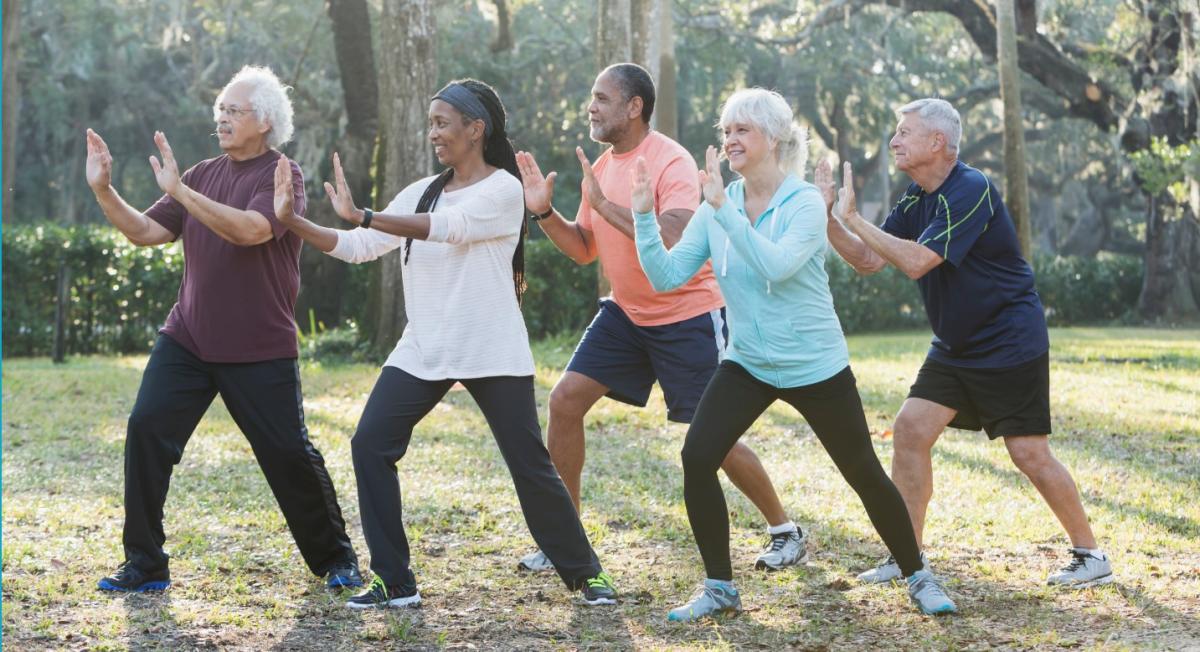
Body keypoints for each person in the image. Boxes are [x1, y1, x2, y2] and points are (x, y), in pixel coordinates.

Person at [272, 79, 618, 609]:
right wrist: (296, 221)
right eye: (431, 123)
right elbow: (361, 246)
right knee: (370, 444)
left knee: (530, 464)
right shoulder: (421, 190)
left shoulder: (503, 190)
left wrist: (364, 213)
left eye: (442, 123)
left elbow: (448, 229)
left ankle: (585, 574)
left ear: (475, 129)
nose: (433, 133)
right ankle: (394, 580)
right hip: (425, 348)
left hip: (490, 346)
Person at [632, 88, 956, 620]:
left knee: (862, 472)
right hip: (749, 362)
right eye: (726, 131)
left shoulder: (804, 201)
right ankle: (719, 586)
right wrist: (645, 220)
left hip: (815, 365)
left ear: (775, 140)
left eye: (743, 130)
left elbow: (776, 267)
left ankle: (918, 574)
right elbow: (668, 276)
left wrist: (723, 211)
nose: (730, 140)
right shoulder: (719, 204)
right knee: (696, 458)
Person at [514, 64, 805, 574]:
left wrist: (604, 206)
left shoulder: (669, 159)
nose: (592, 107)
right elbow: (584, 249)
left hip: (686, 314)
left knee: (713, 439)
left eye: (602, 98)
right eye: (592, 96)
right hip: (626, 313)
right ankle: (567, 539)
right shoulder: (601, 168)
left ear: (634, 106)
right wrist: (543, 214)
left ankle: (785, 530)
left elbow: (672, 236)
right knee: (564, 402)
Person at [84, 65, 361, 593]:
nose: (223, 118)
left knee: (287, 454)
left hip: (258, 346)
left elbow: (253, 231)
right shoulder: (201, 174)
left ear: (266, 121)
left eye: (234, 110)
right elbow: (145, 231)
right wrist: (104, 190)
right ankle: (144, 562)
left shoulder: (283, 175)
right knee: (146, 429)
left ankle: (336, 559)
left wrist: (183, 195)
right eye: (221, 110)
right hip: (188, 337)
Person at [822, 98, 1113, 588]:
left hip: (1008, 339)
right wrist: (829, 215)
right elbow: (869, 260)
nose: (894, 141)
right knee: (911, 430)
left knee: (1029, 455)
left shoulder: (970, 187)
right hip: (955, 345)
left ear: (937, 142)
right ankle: (907, 556)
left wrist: (854, 218)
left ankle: (1090, 555)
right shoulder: (915, 197)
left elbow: (917, 261)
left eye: (904, 131)